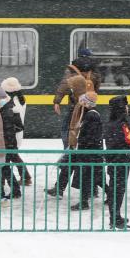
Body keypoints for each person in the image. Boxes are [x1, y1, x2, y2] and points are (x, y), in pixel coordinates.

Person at [47, 57, 101, 197]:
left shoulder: (73, 78)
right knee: (79, 156)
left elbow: (62, 87)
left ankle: (65, 188)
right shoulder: (94, 77)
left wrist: (57, 101)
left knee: (72, 154)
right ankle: (91, 188)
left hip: (76, 114)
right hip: (87, 111)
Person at [103, 95, 130, 229]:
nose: (128, 108)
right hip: (121, 161)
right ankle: (115, 218)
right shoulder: (121, 124)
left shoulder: (111, 123)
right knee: (118, 190)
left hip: (114, 160)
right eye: (125, 106)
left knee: (114, 189)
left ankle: (116, 216)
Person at [70, 92, 103, 211]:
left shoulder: (91, 116)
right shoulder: (90, 115)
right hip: (91, 152)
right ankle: (85, 201)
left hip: (89, 152)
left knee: (90, 177)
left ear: (86, 103)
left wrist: (79, 137)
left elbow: (90, 135)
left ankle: (85, 202)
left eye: (82, 101)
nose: (80, 103)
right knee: (94, 178)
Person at [0, 77, 31, 184]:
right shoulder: (21, 99)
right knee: (12, 154)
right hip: (17, 131)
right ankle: (25, 177)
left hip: (10, 132)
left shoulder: (9, 101)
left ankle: (4, 180)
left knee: (9, 155)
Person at [0, 85, 23, 199]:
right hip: (10, 143)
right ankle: (14, 190)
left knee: (4, 167)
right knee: (4, 167)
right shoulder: (10, 107)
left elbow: (13, 128)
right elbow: (20, 127)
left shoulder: (5, 110)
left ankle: (15, 190)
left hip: (6, 143)